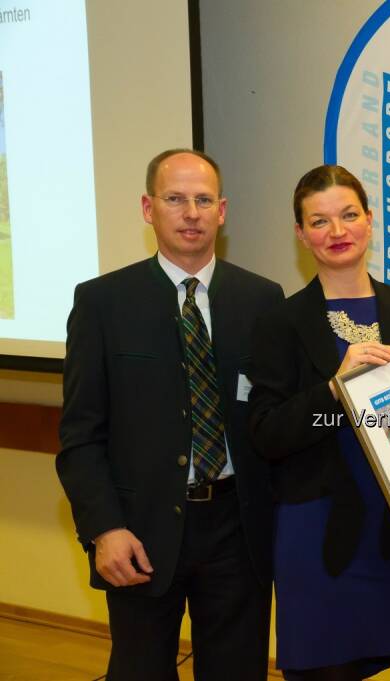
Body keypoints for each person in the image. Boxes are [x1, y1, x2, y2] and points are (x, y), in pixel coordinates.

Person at [57, 149, 283, 680]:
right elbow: (80, 435)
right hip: (139, 534)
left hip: (238, 531)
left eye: (203, 200)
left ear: (222, 211)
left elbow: (277, 422)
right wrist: (104, 528)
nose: (191, 212)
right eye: (175, 199)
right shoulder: (102, 303)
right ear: (147, 208)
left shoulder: (262, 299)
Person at [248, 165, 390, 681]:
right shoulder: (279, 321)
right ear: (301, 235)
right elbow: (266, 434)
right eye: (319, 221)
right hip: (321, 542)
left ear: (370, 220)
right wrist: (334, 388)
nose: (336, 231)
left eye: (348, 215)